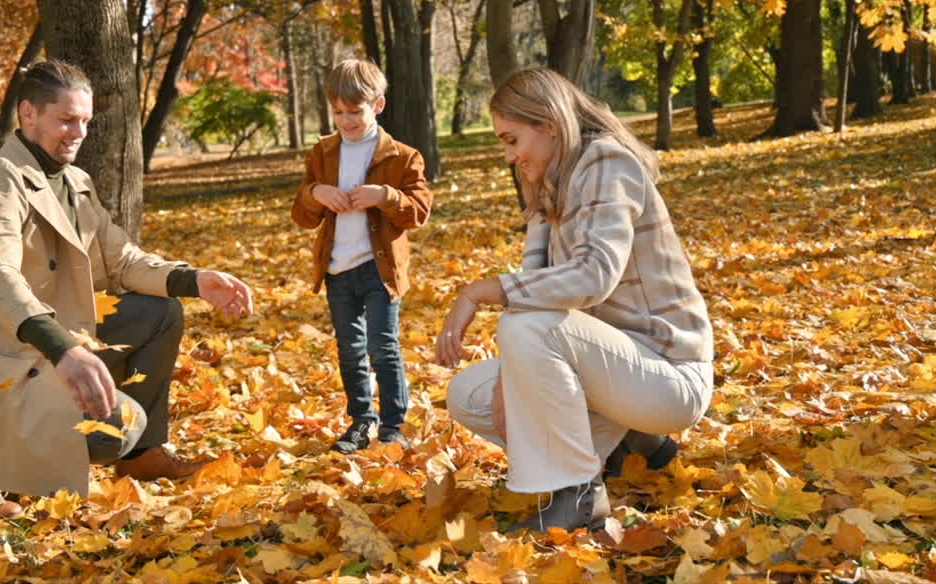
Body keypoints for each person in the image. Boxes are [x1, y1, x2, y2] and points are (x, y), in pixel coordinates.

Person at [0, 59, 254, 518]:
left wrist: (194, 279)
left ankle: (143, 457)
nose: (78, 131)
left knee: (161, 314)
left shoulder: (77, 183)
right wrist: (64, 349)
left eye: (84, 121)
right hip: (5, 351)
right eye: (66, 119)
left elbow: (121, 260)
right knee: (118, 427)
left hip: (61, 337)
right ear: (28, 114)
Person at [438, 68, 713, 532]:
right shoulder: (550, 184)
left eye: (512, 140)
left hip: (670, 373)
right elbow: (536, 287)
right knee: (469, 396)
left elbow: (594, 275)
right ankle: (635, 444)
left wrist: (478, 291)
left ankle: (579, 494)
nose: (509, 156)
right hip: (617, 368)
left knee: (524, 326)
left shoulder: (607, 163)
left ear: (547, 124)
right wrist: (513, 374)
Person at [292, 59, 433, 453]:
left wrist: (384, 196)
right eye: (338, 112)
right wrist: (316, 193)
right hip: (338, 268)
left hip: (380, 268)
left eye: (355, 111)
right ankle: (360, 421)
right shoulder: (323, 152)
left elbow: (418, 211)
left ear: (378, 105)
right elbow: (302, 214)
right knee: (350, 349)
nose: (346, 120)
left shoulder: (403, 156)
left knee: (383, 345)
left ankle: (393, 425)